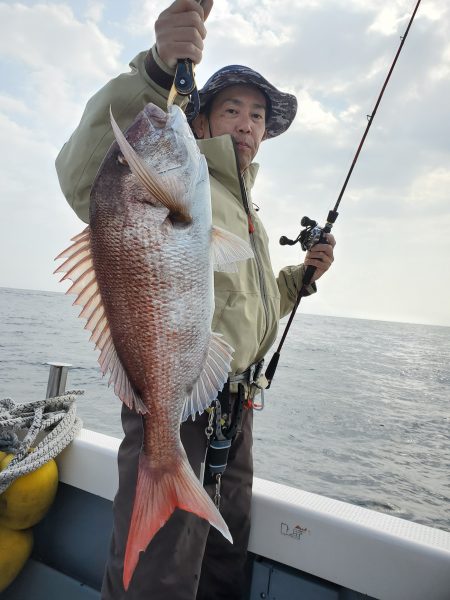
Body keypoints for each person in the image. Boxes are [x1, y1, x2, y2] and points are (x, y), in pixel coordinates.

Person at [55, 1, 335, 598]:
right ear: (200, 120)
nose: (247, 122)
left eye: (258, 115)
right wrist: (158, 71)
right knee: (157, 575)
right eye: (231, 108)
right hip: (175, 409)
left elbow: (245, 308)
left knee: (222, 565)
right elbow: (87, 180)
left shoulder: (243, 209)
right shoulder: (176, 179)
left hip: (232, 408)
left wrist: (301, 278)